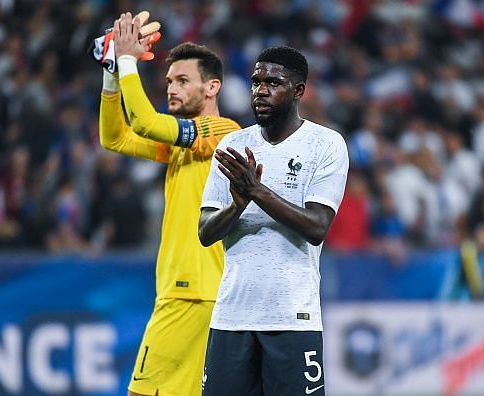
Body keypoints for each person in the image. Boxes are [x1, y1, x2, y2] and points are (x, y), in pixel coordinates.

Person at [99, 12, 240, 396]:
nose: (171, 89)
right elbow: (117, 139)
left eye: (182, 81)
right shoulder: (186, 142)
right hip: (198, 293)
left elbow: (143, 122)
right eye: (169, 82)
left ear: (212, 87)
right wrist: (112, 71)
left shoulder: (222, 132)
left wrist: (127, 60)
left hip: (190, 291)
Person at [198, 45, 349, 395]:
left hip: (292, 320)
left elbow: (316, 227)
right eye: (255, 82)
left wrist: (255, 190)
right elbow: (205, 232)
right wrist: (236, 206)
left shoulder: (325, 145)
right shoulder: (233, 145)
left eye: (273, 83)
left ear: (298, 91)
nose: (260, 90)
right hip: (231, 318)